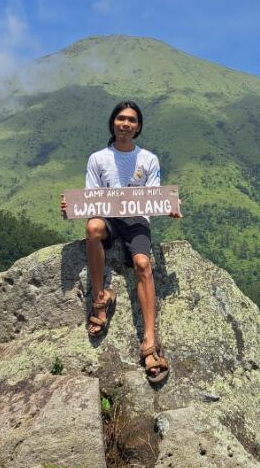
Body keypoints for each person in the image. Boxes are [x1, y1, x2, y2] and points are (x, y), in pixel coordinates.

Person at [61, 100, 179, 384]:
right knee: (93, 228)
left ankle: (150, 340)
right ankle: (100, 297)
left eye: (132, 120)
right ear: (113, 123)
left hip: (137, 220)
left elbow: (152, 197)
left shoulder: (148, 159)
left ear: (138, 127)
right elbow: (91, 198)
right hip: (108, 219)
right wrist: (71, 207)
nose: (126, 124)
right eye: (121, 119)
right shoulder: (98, 158)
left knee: (142, 264)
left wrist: (169, 206)